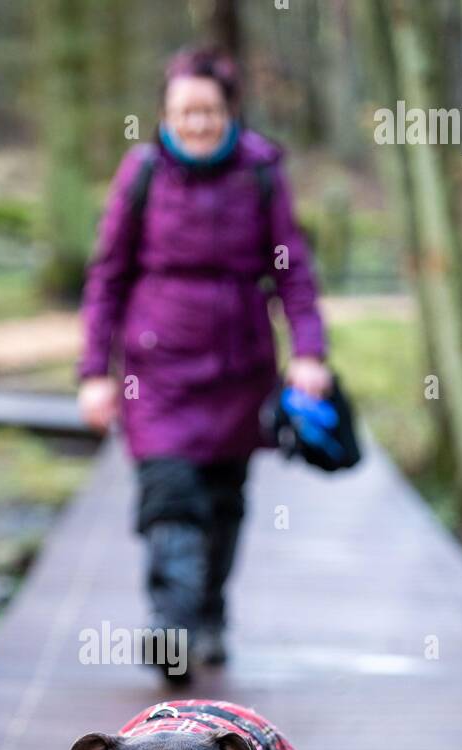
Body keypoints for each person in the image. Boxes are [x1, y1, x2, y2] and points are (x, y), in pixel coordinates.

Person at [77, 46, 331, 677]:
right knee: (170, 493)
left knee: (223, 501)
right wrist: (92, 372)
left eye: (209, 111)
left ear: (230, 112)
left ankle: (210, 615)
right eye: (184, 112)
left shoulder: (262, 173)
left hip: (241, 371)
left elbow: (291, 269)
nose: (196, 124)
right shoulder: (140, 174)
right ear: (165, 114)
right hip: (156, 372)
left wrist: (309, 351)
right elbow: (107, 276)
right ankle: (173, 626)